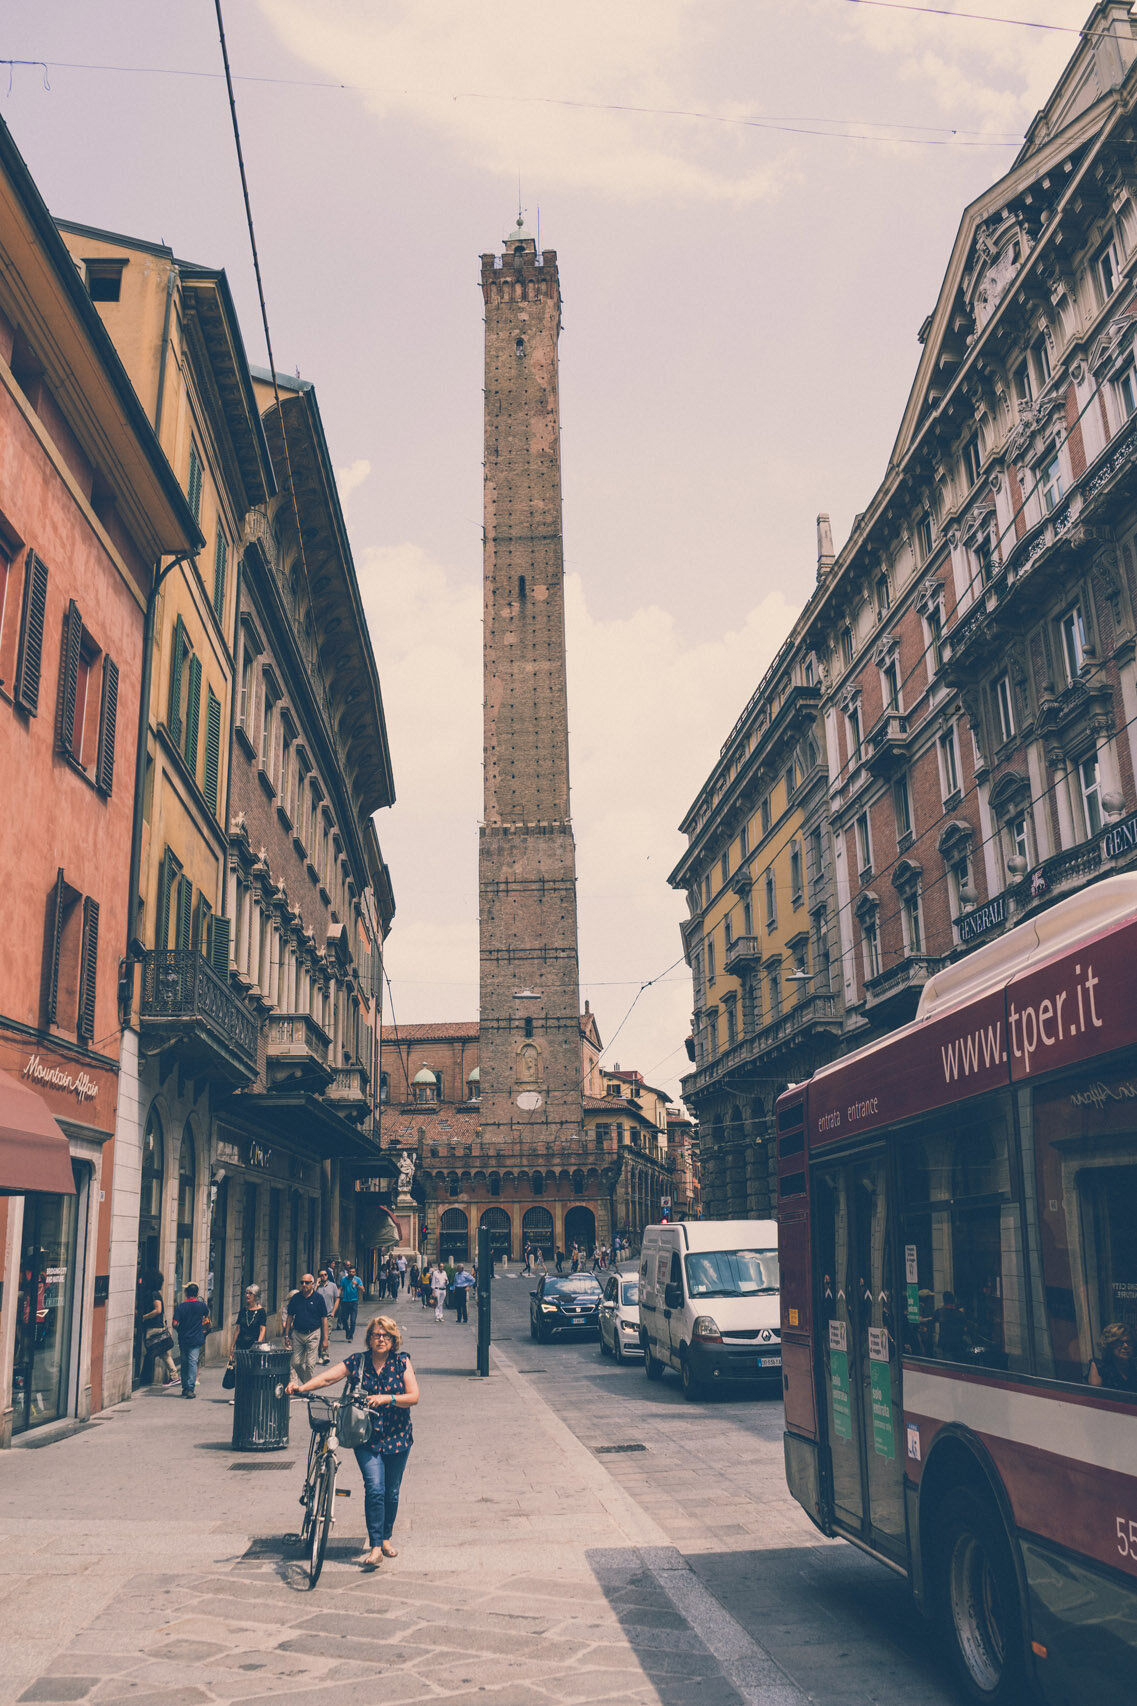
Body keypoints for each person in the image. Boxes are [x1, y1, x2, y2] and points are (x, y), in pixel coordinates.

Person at [288, 1313, 418, 1569]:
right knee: (375, 1488)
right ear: (368, 1338)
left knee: (391, 1492)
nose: (380, 1339)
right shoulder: (358, 1362)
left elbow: (413, 1396)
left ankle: (386, 1538)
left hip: (398, 1436)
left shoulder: (402, 1362)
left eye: (385, 1336)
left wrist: (387, 1398)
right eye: (376, 1335)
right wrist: (302, 1388)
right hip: (365, 1436)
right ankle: (375, 1546)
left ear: (393, 1340)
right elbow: (328, 1377)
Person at [285, 1273, 329, 1385]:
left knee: (310, 1364)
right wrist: (286, 1335)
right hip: (298, 1334)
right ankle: (308, 1383)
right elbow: (289, 1317)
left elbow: (324, 1319)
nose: (304, 1285)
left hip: (313, 1333)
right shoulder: (296, 1298)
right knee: (295, 1363)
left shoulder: (318, 1298)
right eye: (302, 1282)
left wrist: (325, 1339)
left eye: (307, 1282)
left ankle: (307, 1388)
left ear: (312, 1284)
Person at [140, 1271, 178, 1387]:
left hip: (153, 1328)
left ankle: (145, 1377)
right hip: (156, 1327)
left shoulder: (154, 1294)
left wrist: (144, 1317)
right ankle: (173, 1376)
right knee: (162, 1353)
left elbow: (158, 1310)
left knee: (150, 1352)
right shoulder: (155, 1293)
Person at [171, 1282, 210, 1399]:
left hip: (183, 1338)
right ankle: (190, 1388)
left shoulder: (180, 1307)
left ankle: (184, 1387)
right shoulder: (202, 1306)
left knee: (184, 1363)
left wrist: (180, 1329)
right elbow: (206, 1316)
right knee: (193, 1362)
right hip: (197, 1337)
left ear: (186, 1293)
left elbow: (175, 1323)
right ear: (197, 1293)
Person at [1088, 1322, 1137, 1393]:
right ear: (1110, 1344)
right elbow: (1095, 1396)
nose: (1126, 1346)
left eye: (1129, 1342)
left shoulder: (1135, 1365)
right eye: (1120, 1342)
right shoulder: (1099, 1367)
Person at [934, 1290, 969, 1361]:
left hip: (944, 1342)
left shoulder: (939, 1312)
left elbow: (933, 1320)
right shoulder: (959, 1313)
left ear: (944, 1300)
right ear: (953, 1300)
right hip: (957, 1343)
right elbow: (965, 1329)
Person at [315, 1269, 338, 1362]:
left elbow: (337, 1299)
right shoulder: (316, 1287)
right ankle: (320, 1355)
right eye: (321, 1275)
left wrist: (333, 1311)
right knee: (319, 1336)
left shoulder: (333, 1286)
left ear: (327, 1276)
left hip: (328, 1314)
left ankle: (325, 1355)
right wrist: (316, 1285)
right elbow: (311, 1295)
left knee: (327, 1335)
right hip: (317, 1315)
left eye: (325, 1274)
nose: (323, 1276)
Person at [339, 1265, 364, 1344]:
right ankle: (347, 1331)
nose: (351, 1273)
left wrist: (357, 1285)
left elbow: (363, 1290)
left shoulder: (358, 1279)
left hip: (354, 1302)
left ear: (355, 1273)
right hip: (345, 1301)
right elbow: (340, 1288)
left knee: (353, 1320)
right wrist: (337, 1296)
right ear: (348, 1272)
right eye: (350, 1272)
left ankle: (350, 1336)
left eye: (353, 1272)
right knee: (344, 1319)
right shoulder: (344, 1279)